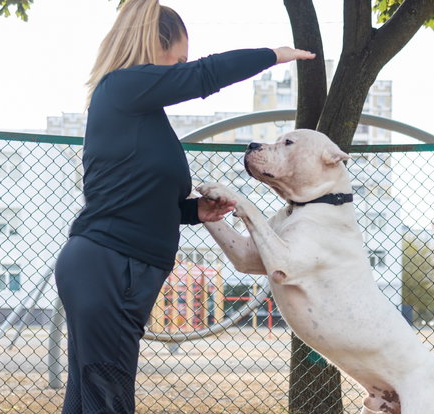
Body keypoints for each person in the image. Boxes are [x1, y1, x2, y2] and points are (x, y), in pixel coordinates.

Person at [53, 0, 315, 412]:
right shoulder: (122, 87)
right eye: (178, 58)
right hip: (111, 266)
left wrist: (193, 213)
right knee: (106, 401)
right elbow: (203, 75)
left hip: (113, 266)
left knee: (91, 400)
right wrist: (274, 55)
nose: (181, 67)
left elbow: (134, 196)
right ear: (152, 44)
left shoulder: (136, 109)